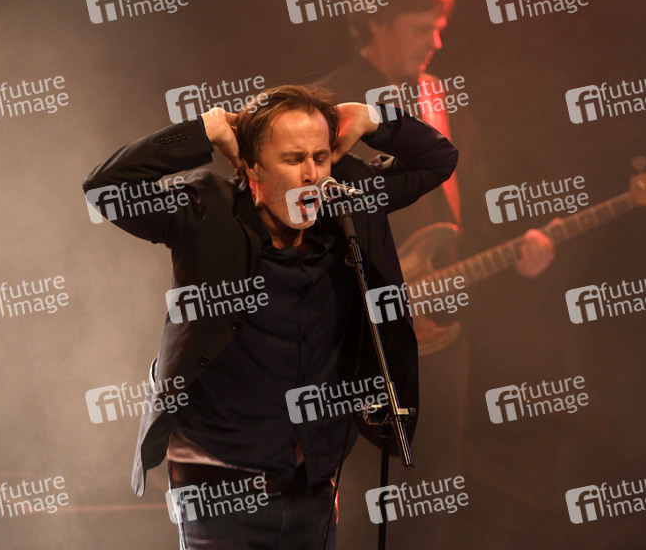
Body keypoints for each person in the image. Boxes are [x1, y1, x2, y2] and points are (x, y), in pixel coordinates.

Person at [83, 85, 457, 549]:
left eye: (321, 157)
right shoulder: (206, 210)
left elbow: (439, 160)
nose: (312, 174)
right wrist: (201, 131)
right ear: (251, 167)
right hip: (219, 493)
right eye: (293, 159)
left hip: (312, 489)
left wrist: (373, 118)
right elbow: (105, 189)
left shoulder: (345, 208)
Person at [315, 0, 555, 548]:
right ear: (379, 21)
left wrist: (522, 246)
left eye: (439, 27)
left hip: (442, 333)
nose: (436, 40)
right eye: (424, 26)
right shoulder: (327, 105)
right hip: (363, 338)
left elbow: (468, 210)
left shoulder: (440, 99)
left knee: (435, 488)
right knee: (362, 497)